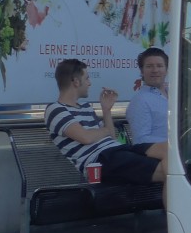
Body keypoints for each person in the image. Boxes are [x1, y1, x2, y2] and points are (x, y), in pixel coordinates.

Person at [45, 58, 166, 187]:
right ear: (75, 81)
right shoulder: (55, 109)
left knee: (169, 151)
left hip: (117, 151)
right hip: (99, 161)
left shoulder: (85, 107)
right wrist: (103, 131)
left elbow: (112, 137)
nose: (89, 83)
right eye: (87, 78)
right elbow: (85, 137)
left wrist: (106, 110)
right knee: (170, 172)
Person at [125, 47, 168, 144]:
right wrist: (176, 143)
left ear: (166, 70)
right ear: (141, 71)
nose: (155, 70)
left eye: (159, 66)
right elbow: (141, 140)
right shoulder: (140, 101)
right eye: (149, 66)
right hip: (160, 156)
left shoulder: (175, 95)